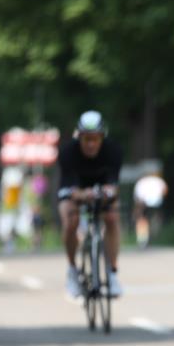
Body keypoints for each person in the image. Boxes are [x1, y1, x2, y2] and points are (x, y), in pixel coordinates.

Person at [57, 110, 124, 298]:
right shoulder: (67, 151)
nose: (91, 144)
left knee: (112, 217)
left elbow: (113, 184)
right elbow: (68, 186)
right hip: (74, 188)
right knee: (71, 221)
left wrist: (108, 191)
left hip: (101, 187)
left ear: (102, 138)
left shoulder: (114, 150)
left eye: (95, 139)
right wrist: (80, 194)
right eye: (86, 139)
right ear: (79, 137)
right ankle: (72, 270)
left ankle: (112, 273)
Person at [132, 167, 168, 248]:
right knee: (155, 219)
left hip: (145, 204)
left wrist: (137, 209)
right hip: (157, 203)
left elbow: (138, 197)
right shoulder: (158, 180)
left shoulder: (141, 182)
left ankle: (142, 238)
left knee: (142, 220)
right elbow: (165, 190)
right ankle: (154, 233)